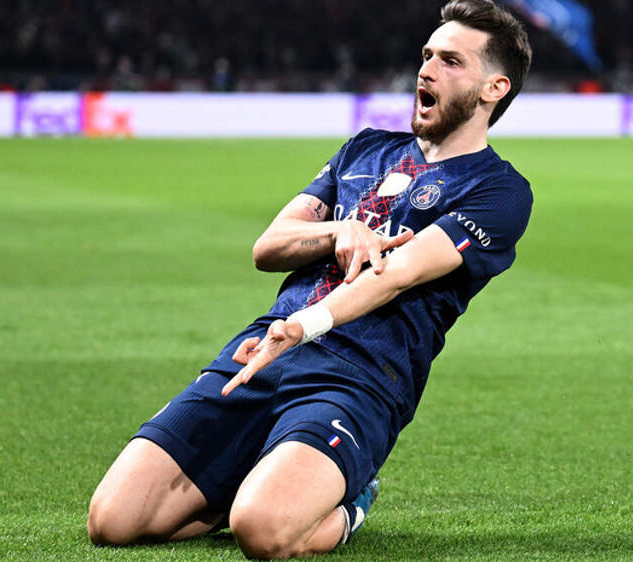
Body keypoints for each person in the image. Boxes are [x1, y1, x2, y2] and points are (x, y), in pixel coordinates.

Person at [87, 0, 533, 558]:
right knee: (113, 521)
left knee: (262, 532)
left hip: (359, 376)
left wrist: (304, 325)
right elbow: (269, 246)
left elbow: (397, 273)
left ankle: (351, 500)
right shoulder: (365, 149)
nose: (426, 70)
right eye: (426, 55)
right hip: (263, 349)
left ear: (494, 88)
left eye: (450, 61)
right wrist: (341, 229)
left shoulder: (498, 191)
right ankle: (255, 478)